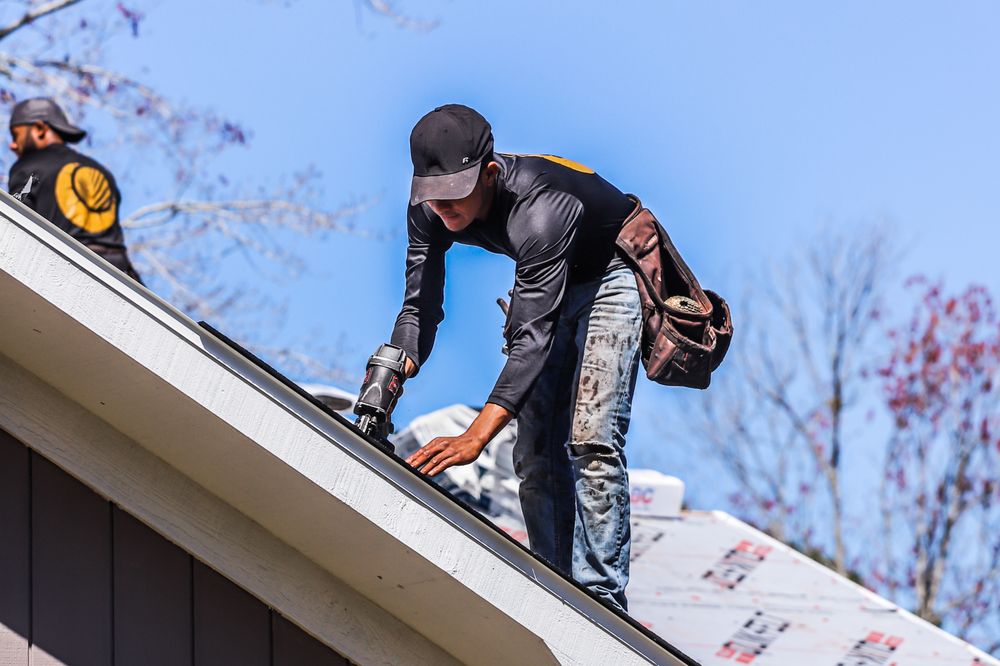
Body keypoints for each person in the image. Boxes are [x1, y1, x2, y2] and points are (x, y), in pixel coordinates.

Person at [394, 104, 643, 611]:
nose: (443, 210)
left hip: (611, 276)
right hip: (546, 280)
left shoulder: (541, 206)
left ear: (488, 174)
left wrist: (475, 436)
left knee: (590, 439)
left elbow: (533, 337)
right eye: (432, 197)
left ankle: (599, 598)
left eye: (454, 196)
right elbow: (420, 305)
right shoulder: (429, 208)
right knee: (532, 453)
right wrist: (394, 368)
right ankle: (555, 589)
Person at [8, 97, 142, 282]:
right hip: (119, 274)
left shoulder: (31, 167)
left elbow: (12, 226)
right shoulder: (100, 171)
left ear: (39, 129)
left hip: (64, 271)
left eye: (16, 135)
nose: (12, 145)